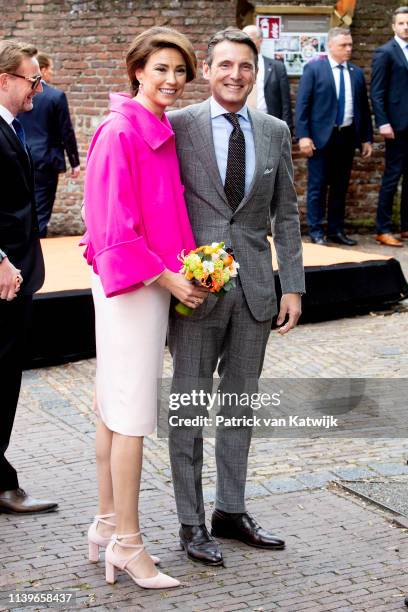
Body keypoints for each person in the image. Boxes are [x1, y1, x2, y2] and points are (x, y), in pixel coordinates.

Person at [167, 28, 304, 567]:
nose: (235, 75)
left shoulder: (273, 130)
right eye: (225, 65)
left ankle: (231, 510)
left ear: (257, 72)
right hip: (195, 293)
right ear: (207, 69)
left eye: (245, 66)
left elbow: (286, 213)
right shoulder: (177, 126)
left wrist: (290, 283)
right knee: (189, 409)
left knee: (241, 408)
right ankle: (189, 521)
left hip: (254, 292)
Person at [81, 27, 208, 589]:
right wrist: (171, 280)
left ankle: (107, 525)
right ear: (136, 70)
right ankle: (129, 546)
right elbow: (114, 228)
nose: (172, 81)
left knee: (114, 406)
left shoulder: (149, 126)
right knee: (131, 413)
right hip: (134, 284)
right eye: (161, 69)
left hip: (141, 282)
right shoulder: (120, 132)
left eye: (180, 71)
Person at [0, 40, 58, 514]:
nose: (38, 87)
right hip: (4, 279)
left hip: (16, 274)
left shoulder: (12, 127)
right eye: (32, 78)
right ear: (5, 80)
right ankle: (1, 485)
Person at [295, 27, 373, 246]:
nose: (349, 49)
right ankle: (316, 231)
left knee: (340, 187)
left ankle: (336, 230)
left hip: (346, 137)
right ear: (330, 46)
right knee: (317, 187)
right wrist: (303, 136)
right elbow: (302, 105)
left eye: (350, 45)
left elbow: (363, 108)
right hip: (320, 139)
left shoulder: (356, 73)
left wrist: (366, 138)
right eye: (343, 45)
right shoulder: (314, 70)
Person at [18, 52, 80, 237]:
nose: (52, 72)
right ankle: (37, 250)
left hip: (21, 156)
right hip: (46, 161)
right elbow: (66, 131)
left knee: (24, 207)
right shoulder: (56, 96)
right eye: (50, 68)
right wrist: (74, 162)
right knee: (42, 213)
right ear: (42, 70)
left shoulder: (20, 94)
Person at [371, 6, 408, 247]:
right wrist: (383, 121)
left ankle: (405, 227)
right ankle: (382, 229)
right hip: (396, 126)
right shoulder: (385, 52)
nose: (406, 27)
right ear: (394, 26)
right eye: (402, 23)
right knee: (392, 177)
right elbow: (377, 91)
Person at [242, 24, 293, 132]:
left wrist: (287, 129)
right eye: (242, 38)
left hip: (269, 124)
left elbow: (285, 103)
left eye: (249, 38)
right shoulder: (235, 66)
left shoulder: (277, 67)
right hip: (241, 123)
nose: (245, 42)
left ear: (260, 40)